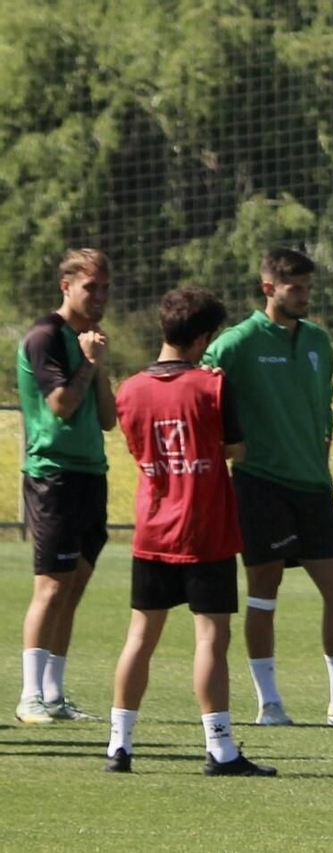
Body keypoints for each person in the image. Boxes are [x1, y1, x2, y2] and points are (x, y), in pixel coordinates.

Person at [204, 248, 333, 727]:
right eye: (295, 288)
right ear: (268, 288)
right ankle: (269, 702)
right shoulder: (237, 343)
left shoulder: (317, 339)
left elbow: (322, 406)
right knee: (263, 591)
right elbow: (199, 390)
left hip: (313, 485)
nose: (304, 296)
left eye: (309, 288)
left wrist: (322, 445)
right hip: (260, 484)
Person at [103, 287, 275, 777]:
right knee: (210, 638)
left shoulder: (129, 390)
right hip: (204, 530)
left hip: (152, 531)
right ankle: (220, 749)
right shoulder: (211, 386)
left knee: (140, 636)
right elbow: (236, 449)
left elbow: (139, 448)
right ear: (201, 338)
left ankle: (119, 745)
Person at [15, 249, 117, 725]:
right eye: (90, 287)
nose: (99, 296)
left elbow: (108, 418)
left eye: (105, 288)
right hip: (53, 474)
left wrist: (99, 364)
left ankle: (54, 695)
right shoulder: (46, 336)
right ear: (66, 286)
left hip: (91, 473)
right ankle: (29, 696)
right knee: (51, 587)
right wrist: (88, 362)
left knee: (73, 587)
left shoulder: (91, 341)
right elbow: (61, 404)